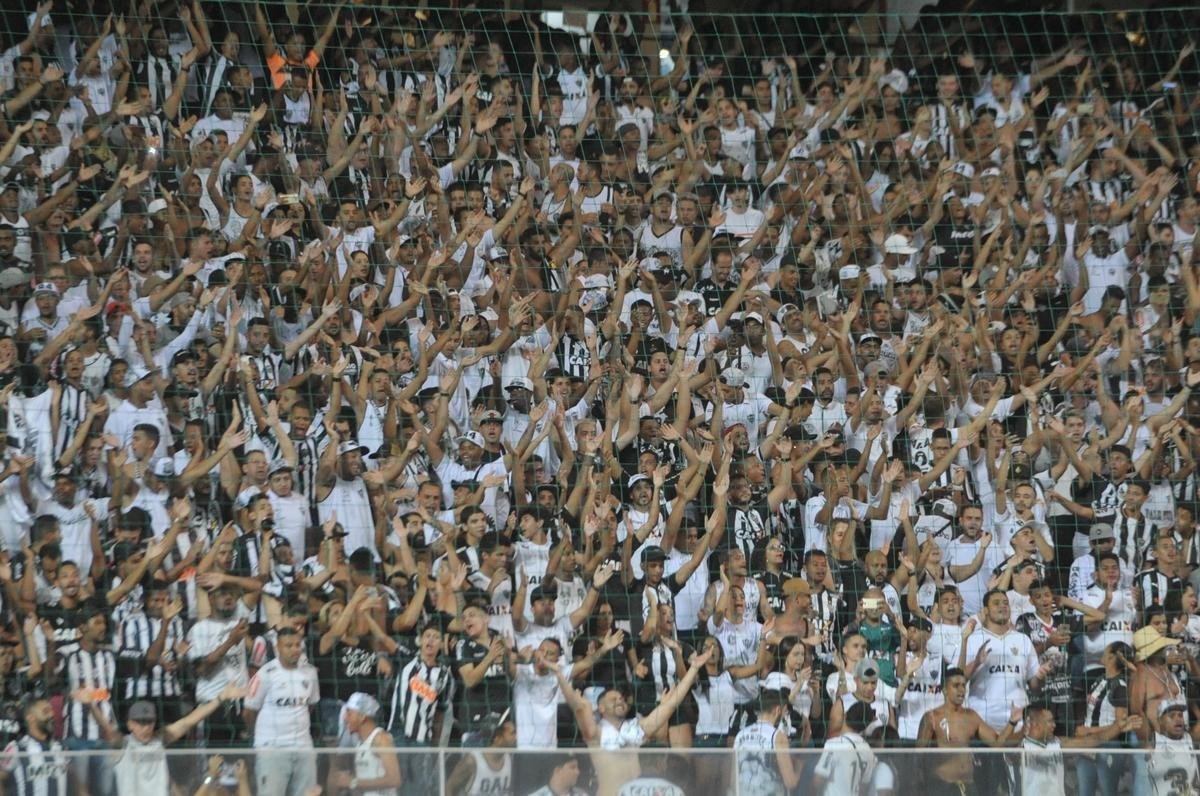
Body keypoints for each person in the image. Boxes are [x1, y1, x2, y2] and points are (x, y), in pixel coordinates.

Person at [77, 683, 246, 795]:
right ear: (130, 725)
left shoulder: (160, 739)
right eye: (140, 722)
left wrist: (220, 698)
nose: (146, 726)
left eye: (149, 721)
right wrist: (90, 705)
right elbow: (106, 728)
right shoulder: (124, 744)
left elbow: (190, 720)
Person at [243, 627, 320, 796]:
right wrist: (257, 736)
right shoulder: (264, 674)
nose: (295, 649)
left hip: (303, 747)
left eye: (298, 645)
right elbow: (249, 711)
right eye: (289, 645)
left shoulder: (310, 673)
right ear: (278, 647)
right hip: (272, 749)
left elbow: (311, 705)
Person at [328, 692, 402, 796]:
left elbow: (394, 779)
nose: (345, 718)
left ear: (362, 716)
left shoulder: (381, 739)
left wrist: (352, 782)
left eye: (349, 713)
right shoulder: (360, 742)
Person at [733, 687, 801, 796]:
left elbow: (733, 778)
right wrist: (799, 766)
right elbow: (790, 782)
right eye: (784, 711)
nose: (785, 714)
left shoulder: (740, 735)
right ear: (778, 710)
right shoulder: (778, 736)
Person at [812, 701, 877, 796]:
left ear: (845, 715)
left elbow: (817, 781)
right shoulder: (869, 751)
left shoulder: (834, 744)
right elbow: (863, 788)